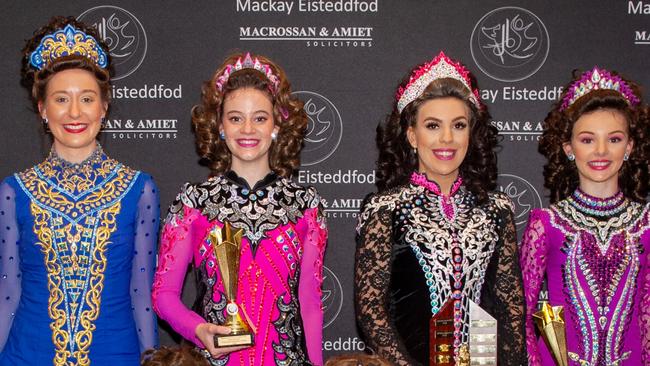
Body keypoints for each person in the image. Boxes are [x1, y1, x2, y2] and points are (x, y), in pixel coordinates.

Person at [0, 16, 159, 365]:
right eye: (61, 99)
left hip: (116, 356)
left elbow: (140, 295)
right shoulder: (14, 192)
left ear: (104, 106)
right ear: (43, 109)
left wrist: (152, 360)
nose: (75, 112)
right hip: (27, 356)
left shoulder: (138, 189)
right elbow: (8, 293)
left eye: (87, 99)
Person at [152, 52, 327, 366]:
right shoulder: (193, 202)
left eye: (259, 118)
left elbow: (310, 304)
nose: (248, 129)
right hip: (213, 359)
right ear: (219, 125)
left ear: (277, 123)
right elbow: (163, 295)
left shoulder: (306, 205)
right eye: (235, 118)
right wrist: (198, 330)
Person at [355, 52, 526, 365]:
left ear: (471, 134)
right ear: (411, 135)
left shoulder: (497, 208)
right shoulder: (386, 209)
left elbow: (510, 309)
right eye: (433, 126)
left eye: (458, 125)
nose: (447, 138)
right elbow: (371, 312)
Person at [520, 67, 650, 365]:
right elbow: (522, 316)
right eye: (588, 140)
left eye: (614, 139)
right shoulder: (546, 224)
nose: (601, 151)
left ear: (629, 146)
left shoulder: (646, 225)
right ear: (569, 148)